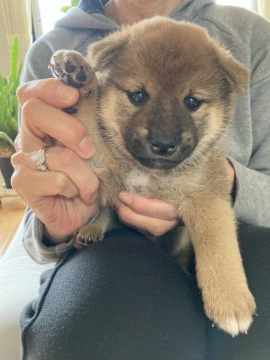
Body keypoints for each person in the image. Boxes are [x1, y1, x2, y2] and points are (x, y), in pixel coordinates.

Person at [12, 0, 270, 359]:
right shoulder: (53, 52)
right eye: (137, 95)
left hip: (244, 237)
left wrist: (224, 181)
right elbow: (36, 224)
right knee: (109, 331)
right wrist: (55, 216)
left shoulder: (254, 38)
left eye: (193, 102)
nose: (164, 135)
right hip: (112, 248)